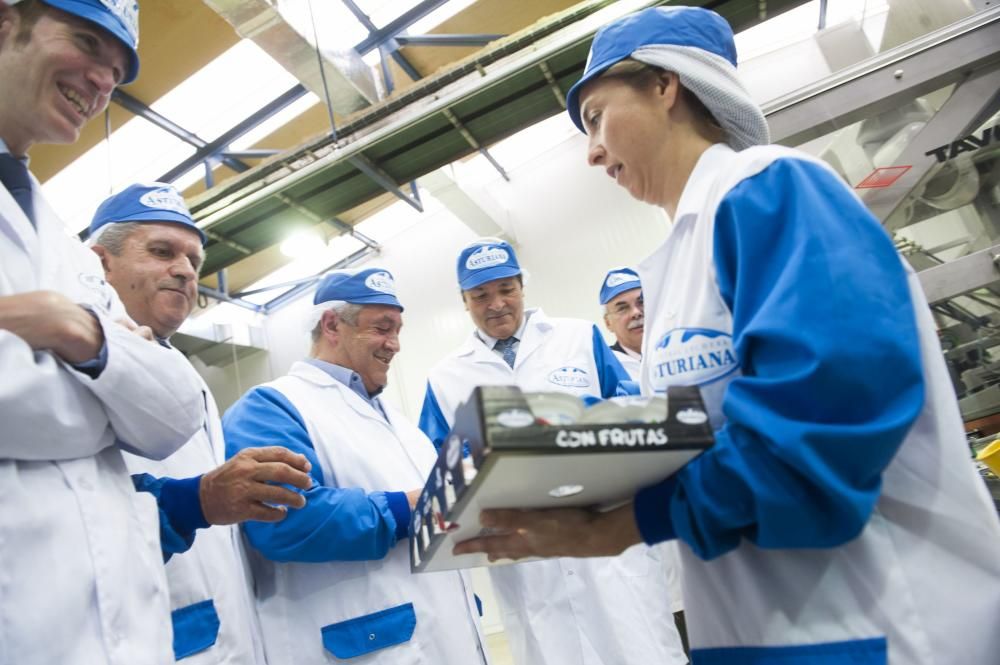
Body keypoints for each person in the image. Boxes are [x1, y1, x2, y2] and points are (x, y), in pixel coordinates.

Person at [454, 6, 1000, 664]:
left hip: (871, 622)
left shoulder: (772, 191)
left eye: (596, 117)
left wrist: (621, 525)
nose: (593, 151)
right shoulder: (679, 262)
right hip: (754, 632)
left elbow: (819, 427)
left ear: (665, 85)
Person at [0, 2, 207, 663]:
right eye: (88, 43)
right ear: (7, 20)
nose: (100, 82)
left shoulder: (59, 243)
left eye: (116, 74)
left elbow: (174, 410)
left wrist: (75, 331)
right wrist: (110, 407)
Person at [420, 238, 687, 665]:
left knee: (642, 650)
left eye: (506, 289)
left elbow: (635, 421)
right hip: (526, 561)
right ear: (464, 301)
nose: (496, 304)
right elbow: (438, 473)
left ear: (522, 287)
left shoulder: (579, 337)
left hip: (608, 539)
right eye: (481, 295)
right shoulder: (444, 378)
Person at [88, 182, 314, 663]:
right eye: (162, 251)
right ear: (100, 262)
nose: (185, 270)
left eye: (194, 259)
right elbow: (73, 520)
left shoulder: (184, 371)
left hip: (225, 634)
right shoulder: (71, 364)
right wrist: (197, 502)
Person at [222, 268, 489, 665]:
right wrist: (410, 507)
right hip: (363, 645)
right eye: (382, 328)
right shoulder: (271, 407)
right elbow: (284, 522)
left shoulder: (401, 425)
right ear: (332, 324)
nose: (394, 344)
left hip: (447, 638)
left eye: (398, 329)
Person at [599, 267, 643, 380]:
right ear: (608, 323)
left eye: (641, 302)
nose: (636, 313)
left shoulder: (677, 352)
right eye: (623, 308)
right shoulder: (603, 370)